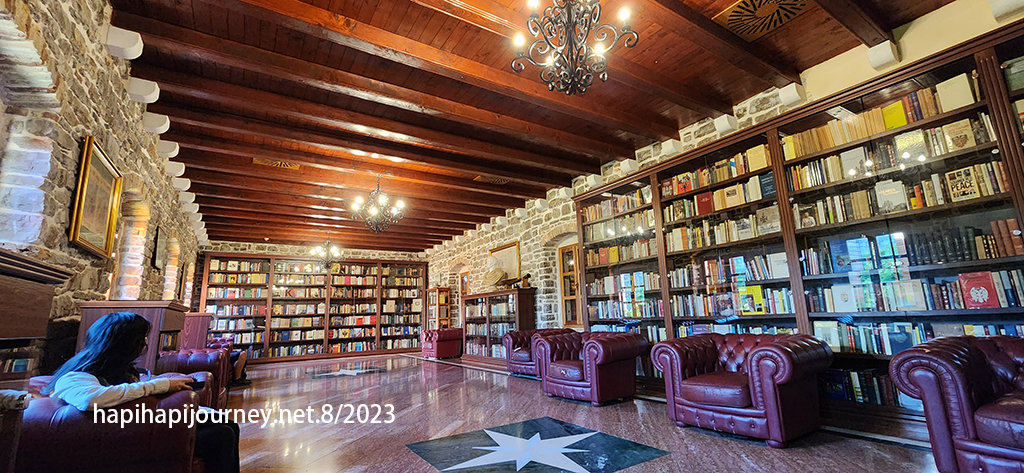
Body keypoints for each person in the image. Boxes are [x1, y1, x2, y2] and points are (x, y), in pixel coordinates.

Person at [43, 312, 240, 473]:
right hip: (106, 444)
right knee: (220, 435)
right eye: (140, 339)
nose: (145, 343)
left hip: (128, 432)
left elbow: (132, 401)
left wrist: (200, 411)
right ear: (122, 344)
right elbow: (91, 399)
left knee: (227, 426)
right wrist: (160, 385)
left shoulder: (117, 371)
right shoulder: (74, 376)